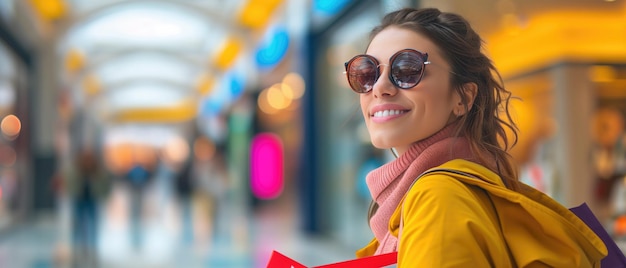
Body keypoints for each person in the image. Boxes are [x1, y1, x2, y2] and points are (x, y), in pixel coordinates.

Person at [344, 7, 607, 267]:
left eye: (407, 70)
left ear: (463, 97)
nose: (379, 88)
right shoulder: (462, 187)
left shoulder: (437, 198)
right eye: (367, 73)